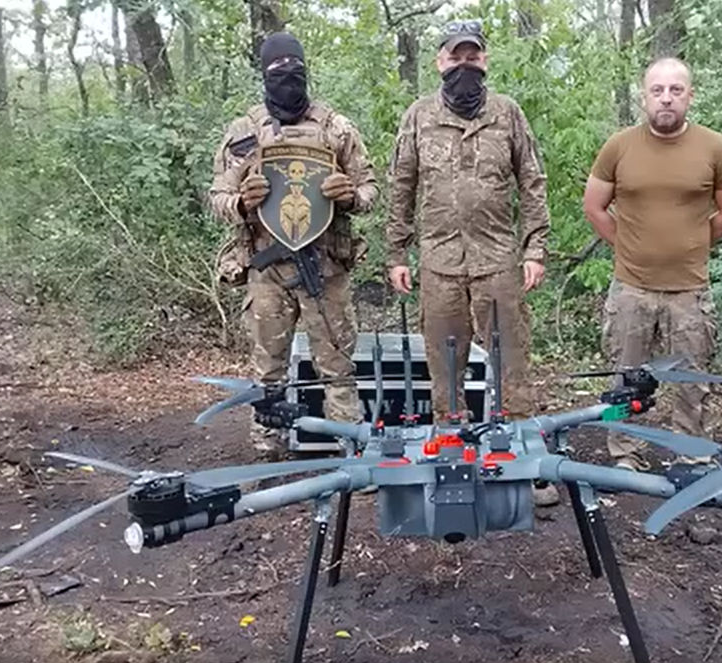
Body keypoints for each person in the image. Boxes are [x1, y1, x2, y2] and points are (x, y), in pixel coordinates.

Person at [385, 20, 557, 506]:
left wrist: (535, 249)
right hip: (439, 262)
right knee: (445, 367)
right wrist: (397, 254)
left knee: (511, 363)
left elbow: (532, 182)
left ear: (484, 60)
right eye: (455, 57)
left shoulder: (508, 113)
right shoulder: (418, 116)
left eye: (472, 57)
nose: (464, 65)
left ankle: (524, 464)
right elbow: (401, 186)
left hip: (497, 260)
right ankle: (451, 460)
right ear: (440, 62)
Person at [210, 31, 378, 460]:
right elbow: (217, 198)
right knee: (268, 372)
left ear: (306, 70)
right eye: (277, 68)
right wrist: (241, 202)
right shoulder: (244, 132)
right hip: (266, 269)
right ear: (263, 74)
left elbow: (370, 189)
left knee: (338, 367)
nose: (287, 74)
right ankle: (268, 453)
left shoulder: (336, 128)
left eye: (294, 66)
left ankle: (351, 452)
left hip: (326, 267)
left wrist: (351, 196)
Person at [582, 56, 722, 472]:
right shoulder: (619, 146)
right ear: (645, 97)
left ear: (690, 95)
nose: (666, 98)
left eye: (676, 90)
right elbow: (595, 207)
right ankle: (625, 455)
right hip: (631, 288)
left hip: (689, 291)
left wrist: (692, 244)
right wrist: (627, 244)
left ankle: (691, 456)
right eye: (658, 91)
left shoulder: (714, 147)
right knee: (625, 378)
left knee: (692, 382)